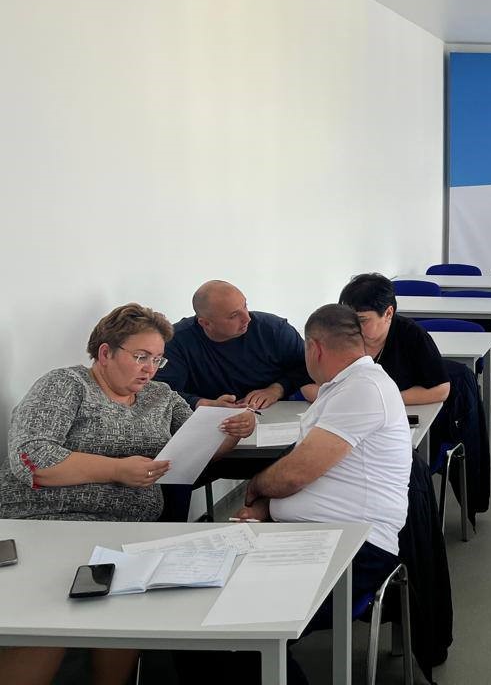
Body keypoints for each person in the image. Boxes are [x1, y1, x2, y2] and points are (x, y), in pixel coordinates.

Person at [0, 304, 254, 685]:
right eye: (140, 357)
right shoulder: (66, 385)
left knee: (128, 616)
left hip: (128, 531)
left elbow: (197, 445)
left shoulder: (160, 396)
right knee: (48, 625)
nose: (150, 368)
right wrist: (117, 470)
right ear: (105, 353)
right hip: (50, 525)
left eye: (157, 359)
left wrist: (232, 429)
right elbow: (32, 458)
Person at [232, 304, 412, 682]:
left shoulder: (364, 388)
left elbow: (296, 473)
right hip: (320, 537)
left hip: (355, 548)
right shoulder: (345, 386)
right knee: (222, 622)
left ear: (314, 348)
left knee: (239, 634)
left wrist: (256, 488)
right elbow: (310, 471)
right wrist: (268, 506)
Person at [298, 272, 451, 409]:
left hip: (396, 413)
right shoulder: (340, 333)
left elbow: (441, 389)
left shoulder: (412, 335)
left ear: (388, 313)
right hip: (346, 412)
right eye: (349, 319)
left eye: (362, 320)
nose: (353, 327)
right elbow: (307, 385)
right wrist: (348, 401)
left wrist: (381, 400)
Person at [160, 280, 309, 409]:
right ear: (205, 323)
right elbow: (160, 392)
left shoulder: (273, 329)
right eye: (234, 315)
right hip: (206, 418)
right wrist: (205, 404)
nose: (247, 318)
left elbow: (308, 367)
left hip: (274, 411)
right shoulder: (175, 341)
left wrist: (277, 389)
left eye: (245, 306)